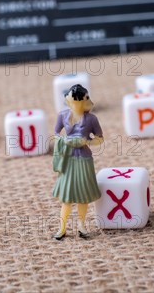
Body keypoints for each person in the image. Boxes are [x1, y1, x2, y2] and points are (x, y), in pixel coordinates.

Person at [51, 84, 103, 239]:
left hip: (84, 160)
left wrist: (86, 142)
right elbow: (55, 133)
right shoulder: (62, 115)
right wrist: (64, 140)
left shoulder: (92, 119)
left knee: (83, 196)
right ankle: (62, 227)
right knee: (66, 197)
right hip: (68, 160)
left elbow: (100, 139)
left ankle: (81, 226)